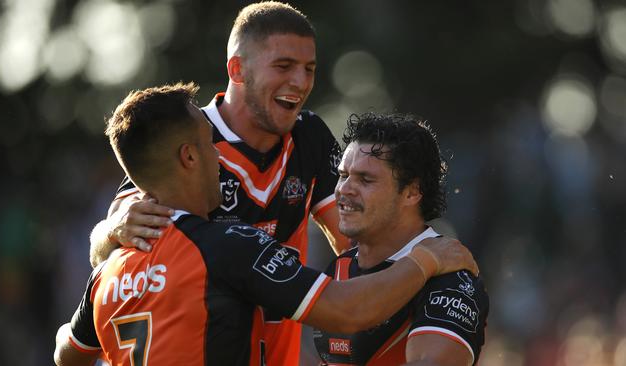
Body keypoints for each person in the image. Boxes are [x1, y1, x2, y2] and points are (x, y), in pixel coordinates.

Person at [86, 2, 467, 364]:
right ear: (237, 70)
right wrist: (108, 229)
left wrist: (439, 291)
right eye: (284, 66)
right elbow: (115, 246)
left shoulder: (309, 137)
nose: (300, 82)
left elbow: (360, 244)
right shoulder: (185, 143)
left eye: (309, 69)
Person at [313, 112, 489, 365]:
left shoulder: (450, 279)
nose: (344, 189)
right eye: (343, 175)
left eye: (365, 179)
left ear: (412, 192)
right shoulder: (340, 267)